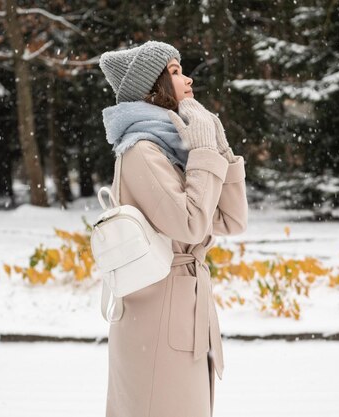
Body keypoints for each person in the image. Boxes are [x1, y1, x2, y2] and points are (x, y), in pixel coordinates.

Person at [99, 40, 248, 417]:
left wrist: (218, 148)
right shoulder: (141, 152)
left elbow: (232, 220)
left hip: (183, 312)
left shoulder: (174, 149)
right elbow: (192, 223)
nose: (188, 78)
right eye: (176, 72)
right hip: (157, 319)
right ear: (153, 86)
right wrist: (202, 153)